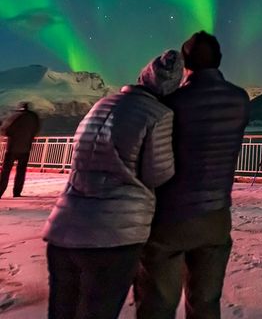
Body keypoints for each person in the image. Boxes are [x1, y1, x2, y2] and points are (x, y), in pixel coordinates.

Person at [43, 50, 182, 319]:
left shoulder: (101, 105)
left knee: (62, 311)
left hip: (65, 225)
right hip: (114, 236)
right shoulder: (158, 114)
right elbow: (158, 174)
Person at [135, 31, 250, 319]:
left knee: (157, 303)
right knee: (206, 302)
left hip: (170, 217)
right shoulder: (240, 99)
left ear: (185, 63)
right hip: (216, 216)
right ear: (220, 60)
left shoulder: (174, 102)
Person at [0, 102, 40, 198]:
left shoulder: (15, 116)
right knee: (21, 172)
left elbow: (5, 130)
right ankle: (17, 192)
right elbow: (36, 130)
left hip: (12, 148)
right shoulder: (34, 117)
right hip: (26, 148)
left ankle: (0, 191)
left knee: (6, 171)